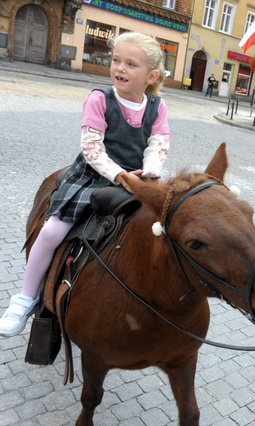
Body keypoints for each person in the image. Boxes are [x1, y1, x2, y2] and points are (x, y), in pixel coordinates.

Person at [0, 32, 171, 337]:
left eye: (131, 64)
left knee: (161, 232)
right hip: (94, 176)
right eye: (116, 60)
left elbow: (158, 143)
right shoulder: (99, 99)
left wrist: (149, 172)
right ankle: (24, 299)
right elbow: (92, 147)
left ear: (151, 76)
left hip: (138, 179)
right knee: (53, 230)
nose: (119, 67)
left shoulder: (157, 107)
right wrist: (120, 176)